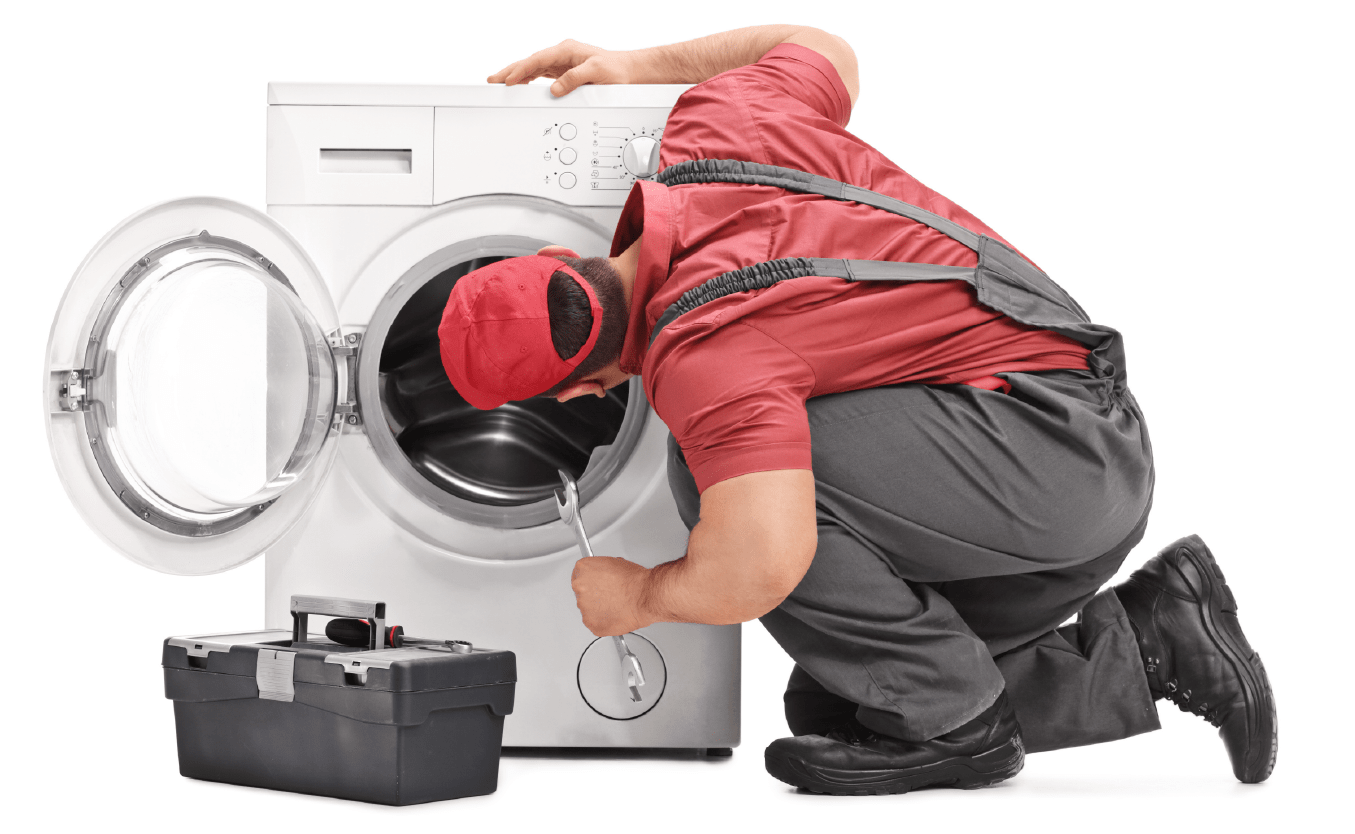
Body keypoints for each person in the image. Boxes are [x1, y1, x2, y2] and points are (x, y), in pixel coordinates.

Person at [437, 25, 1277, 794]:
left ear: (578, 389)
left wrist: (640, 597)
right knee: (839, 703)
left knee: (717, 485)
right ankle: (1156, 636)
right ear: (560, 254)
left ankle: (957, 723)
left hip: (1054, 465)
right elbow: (822, 46)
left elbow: (758, 566)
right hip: (1062, 427)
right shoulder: (714, 127)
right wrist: (638, 64)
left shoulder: (700, 354)